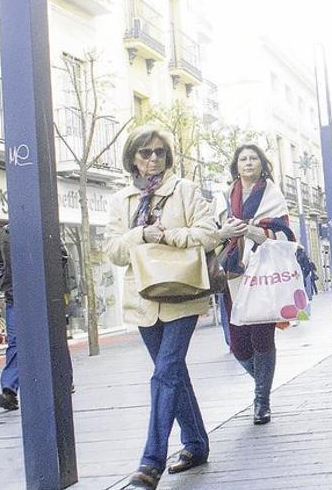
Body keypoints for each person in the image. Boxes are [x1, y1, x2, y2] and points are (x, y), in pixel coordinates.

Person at [105, 125, 218, 490]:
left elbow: (209, 232)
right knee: (172, 374)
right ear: (132, 158)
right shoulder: (121, 201)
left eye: (159, 152)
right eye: (145, 152)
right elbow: (113, 251)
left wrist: (172, 235)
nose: (153, 159)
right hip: (143, 299)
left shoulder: (184, 190)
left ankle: (150, 462)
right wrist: (140, 234)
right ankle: (196, 444)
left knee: (164, 373)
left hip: (183, 294)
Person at [216, 143, 290, 426]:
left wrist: (252, 230)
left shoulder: (272, 194)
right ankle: (263, 386)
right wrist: (226, 231)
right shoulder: (223, 197)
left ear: (261, 164)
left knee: (262, 338)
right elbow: (214, 234)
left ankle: (261, 402)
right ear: (236, 165)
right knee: (239, 346)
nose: (248, 162)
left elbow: (283, 233)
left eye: (253, 158)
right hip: (233, 276)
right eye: (243, 158)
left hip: (263, 274)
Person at [0, 225, 71, 411]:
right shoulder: (6, 232)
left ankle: (64, 379)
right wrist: (6, 284)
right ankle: (9, 391)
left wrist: (44, 281)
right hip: (15, 298)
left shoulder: (43, 225)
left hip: (42, 295)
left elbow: (62, 256)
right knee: (16, 343)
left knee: (50, 338)